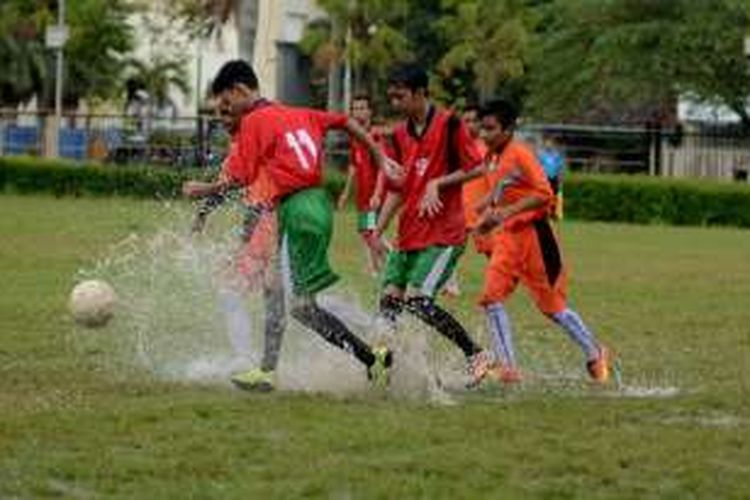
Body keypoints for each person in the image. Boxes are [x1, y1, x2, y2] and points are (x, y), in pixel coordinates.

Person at [183, 60, 397, 388]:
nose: (227, 111)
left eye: (227, 102)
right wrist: (379, 157)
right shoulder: (296, 112)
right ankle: (369, 358)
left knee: (291, 301)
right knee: (288, 299)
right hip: (314, 206)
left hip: (298, 210)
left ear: (241, 90)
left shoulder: (254, 120)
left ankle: (274, 371)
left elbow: (239, 178)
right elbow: (347, 122)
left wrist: (203, 190)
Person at [366, 64, 490, 385]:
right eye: (391, 97)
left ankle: (476, 353)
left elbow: (477, 168)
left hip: (444, 235)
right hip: (409, 234)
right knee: (389, 304)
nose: (395, 104)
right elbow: (398, 190)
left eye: (400, 97)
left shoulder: (449, 124)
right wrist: (377, 233)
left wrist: (439, 183)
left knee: (419, 302)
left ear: (421, 93)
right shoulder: (397, 135)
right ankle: (386, 368)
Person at [474, 99, 610, 384]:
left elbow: (544, 193)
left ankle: (595, 353)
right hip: (509, 238)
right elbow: (501, 188)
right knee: (491, 297)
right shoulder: (492, 156)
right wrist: (483, 211)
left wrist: (503, 214)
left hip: (536, 237)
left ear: (508, 129)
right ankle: (509, 368)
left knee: (553, 308)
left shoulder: (520, 154)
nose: (483, 135)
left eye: (490, 129)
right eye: (481, 128)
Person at [187, 104, 285, 392]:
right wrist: (202, 216)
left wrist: (201, 214)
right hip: (265, 223)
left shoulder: (250, 141)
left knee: (235, 289)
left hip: (270, 221)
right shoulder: (241, 146)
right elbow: (228, 186)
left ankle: (248, 361)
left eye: (229, 115)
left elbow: (229, 185)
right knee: (286, 297)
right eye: (221, 116)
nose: (223, 120)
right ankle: (363, 325)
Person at [336, 93, 387, 274]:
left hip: (374, 195)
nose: (358, 112)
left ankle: (389, 261)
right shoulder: (356, 137)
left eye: (362, 108)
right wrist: (345, 192)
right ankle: (378, 268)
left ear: (370, 111)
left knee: (369, 231)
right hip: (362, 194)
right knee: (367, 231)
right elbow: (353, 167)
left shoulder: (375, 136)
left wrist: (377, 194)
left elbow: (383, 166)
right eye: (355, 108)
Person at [537, 133, 565, 219]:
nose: (548, 145)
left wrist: (560, 178)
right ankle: (544, 212)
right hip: (545, 179)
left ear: (553, 144)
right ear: (544, 144)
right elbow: (538, 167)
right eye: (546, 143)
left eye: (550, 143)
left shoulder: (557, 155)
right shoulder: (541, 155)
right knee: (545, 195)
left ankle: (553, 212)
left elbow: (560, 168)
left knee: (554, 196)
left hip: (554, 178)